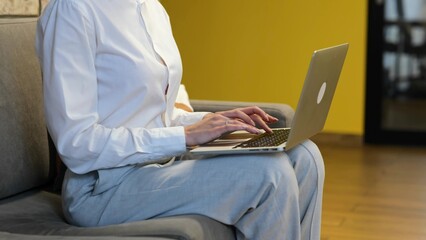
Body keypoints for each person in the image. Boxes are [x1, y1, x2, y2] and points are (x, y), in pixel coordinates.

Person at [35, 0, 325, 239]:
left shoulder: (152, 9)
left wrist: (214, 122)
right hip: (104, 186)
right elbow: (76, 143)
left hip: (163, 163)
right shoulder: (73, 11)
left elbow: (160, 114)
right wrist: (185, 137)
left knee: (305, 156)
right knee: (267, 175)